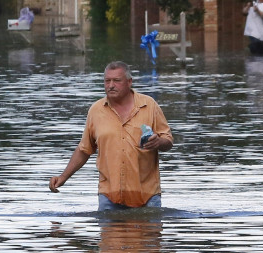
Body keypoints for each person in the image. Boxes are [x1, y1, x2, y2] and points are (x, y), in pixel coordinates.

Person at [49, 61, 173, 211]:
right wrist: (63, 177)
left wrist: (159, 142)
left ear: (129, 82)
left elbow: (168, 141)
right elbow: (84, 150)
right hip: (109, 196)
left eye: (117, 80)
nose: (111, 85)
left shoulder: (149, 106)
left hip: (147, 195)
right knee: (110, 234)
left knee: (148, 233)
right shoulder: (96, 111)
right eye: (107, 81)